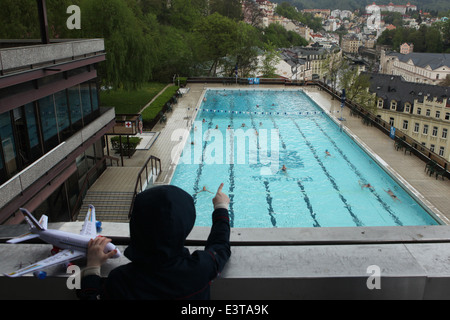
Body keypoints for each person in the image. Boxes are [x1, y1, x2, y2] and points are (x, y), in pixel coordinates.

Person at [78, 184, 231, 300]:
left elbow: (91, 296)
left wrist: (92, 267)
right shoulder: (200, 269)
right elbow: (220, 246)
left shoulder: (120, 281)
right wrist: (221, 207)